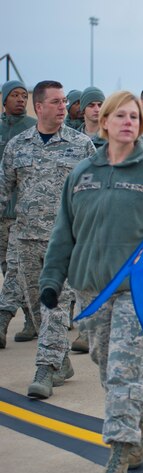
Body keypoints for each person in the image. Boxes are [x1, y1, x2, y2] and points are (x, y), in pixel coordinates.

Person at [39, 90, 143, 473]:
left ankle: (119, 454)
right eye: (120, 116)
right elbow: (64, 233)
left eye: (134, 117)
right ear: (104, 122)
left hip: (138, 292)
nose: (128, 122)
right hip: (91, 289)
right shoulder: (81, 174)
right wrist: (51, 280)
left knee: (124, 370)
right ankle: (141, 428)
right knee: (106, 364)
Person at [0, 80, 96, 397]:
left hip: (66, 242)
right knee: (39, 310)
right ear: (38, 106)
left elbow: (97, 191)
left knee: (55, 306)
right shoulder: (17, 146)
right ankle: (62, 361)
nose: (62, 107)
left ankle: (44, 369)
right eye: (55, 101)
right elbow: (3, 192)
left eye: (65, 101)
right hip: (25, 240)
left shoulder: (81, 145)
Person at [0, 80, 38, 343]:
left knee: (20, 267)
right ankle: (30, 316)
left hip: (27, 212)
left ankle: (10, 318)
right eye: (14, 95)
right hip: (3, 211)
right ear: (4, 100)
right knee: (8, 266)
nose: (20, 100)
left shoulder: (32, 130)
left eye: (24, 96)